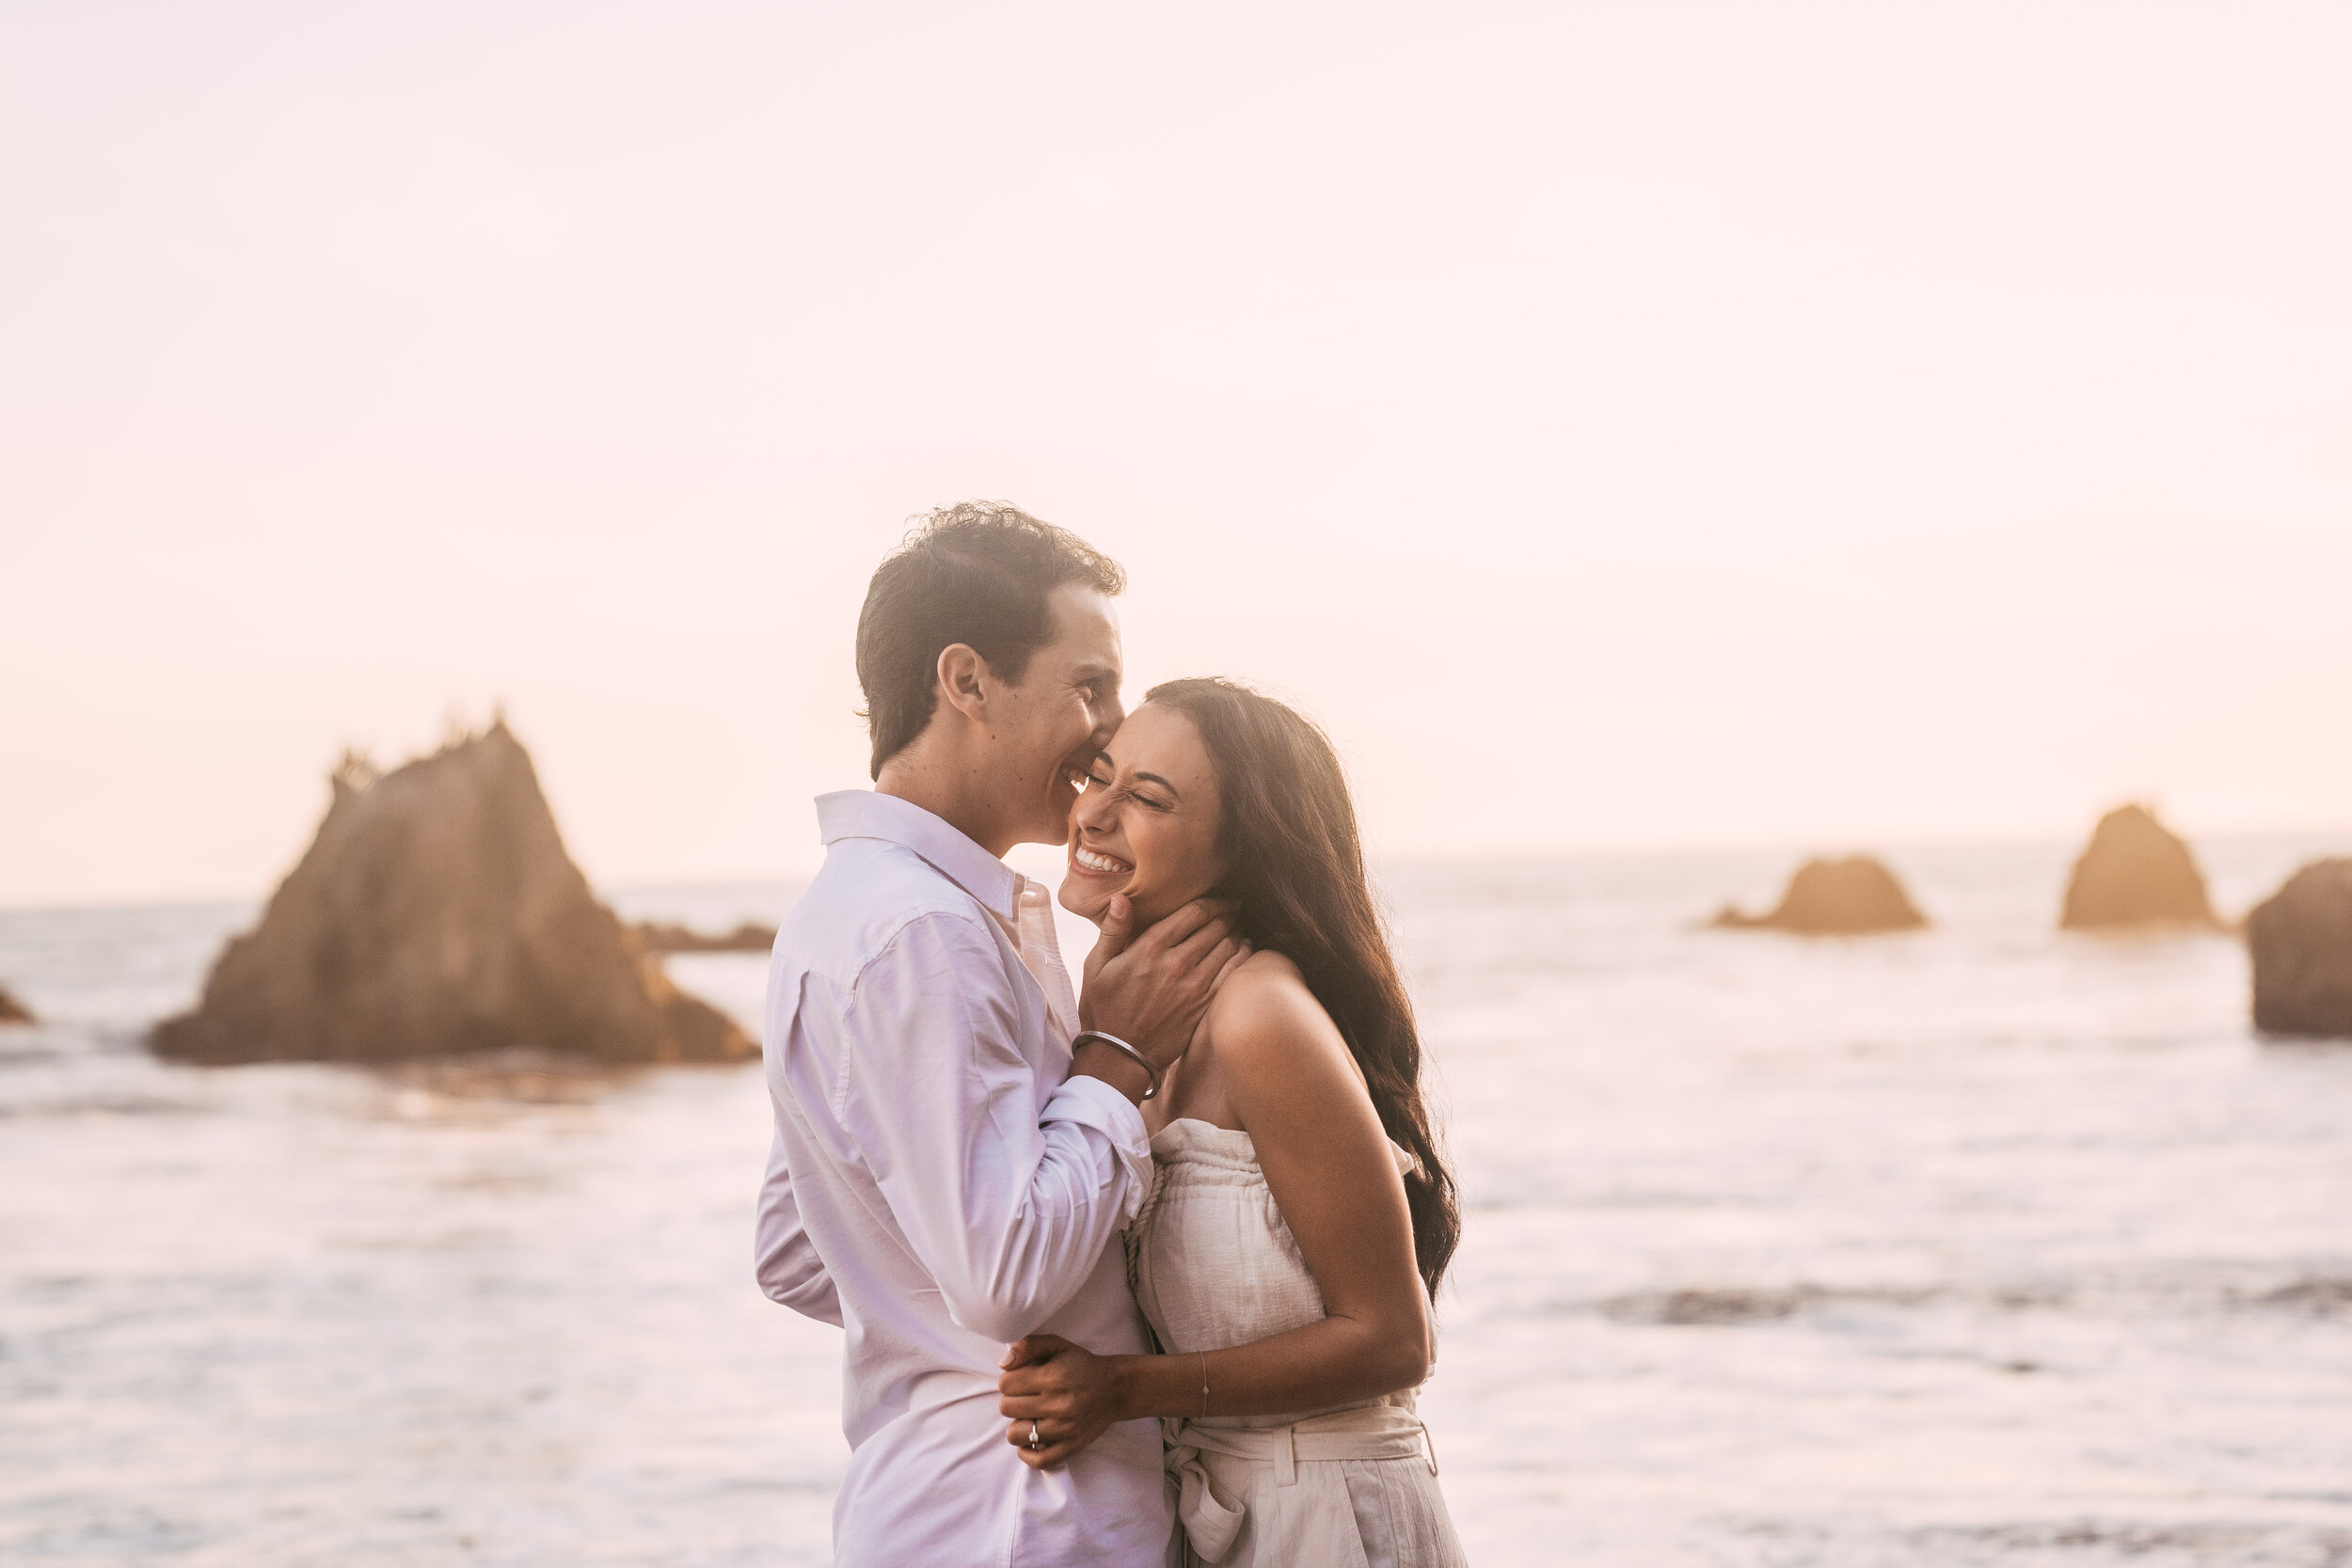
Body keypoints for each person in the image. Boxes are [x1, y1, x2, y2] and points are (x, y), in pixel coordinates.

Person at [755, 505, 1247, 1566]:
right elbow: (1005, 1275)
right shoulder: (923, 931)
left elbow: (798, 1248)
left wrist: (931, 1330)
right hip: (1023, 1516)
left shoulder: (850, 909)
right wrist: (1114, 1062)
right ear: (966, 681)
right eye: (1088, 685)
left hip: (941, 1508)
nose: (1111, 726)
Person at [995, 678, 1468, 1567]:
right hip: (1221, 1518)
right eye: (1100, 776)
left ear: (1239, 851)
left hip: (1330, 1520)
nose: (1093, 813)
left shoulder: (1260, 1016)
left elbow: (1394, 1339)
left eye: (1146, 797)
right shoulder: (1124, 1017)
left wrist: (1122, 1389)